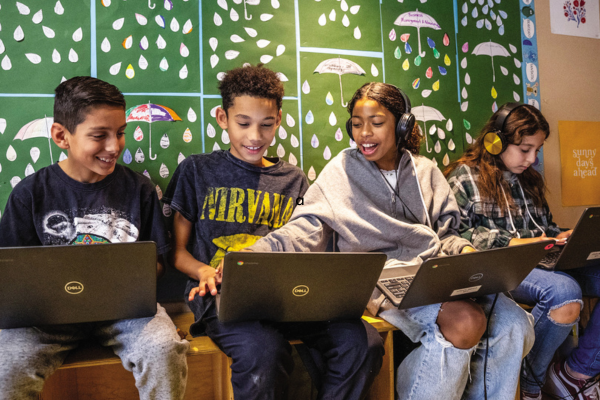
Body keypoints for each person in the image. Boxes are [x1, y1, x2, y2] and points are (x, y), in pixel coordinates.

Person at [244, 82, 535, 400]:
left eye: (377, 123)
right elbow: (303, 230)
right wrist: (256, 253)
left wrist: (464, 253)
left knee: (516, 325)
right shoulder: (340, 171)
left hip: (434, 274)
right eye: (356, 124)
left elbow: (448, 234)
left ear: (402, 124)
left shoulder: (425, 170)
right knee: (466, 321)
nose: (364, 133)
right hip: (380, 280)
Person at [163, 65, 384, 400]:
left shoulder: (294, 180)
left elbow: (312, 246)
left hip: (291, 299)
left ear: (278, 120)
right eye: (243, 123)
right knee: (263, 352)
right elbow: (176, 252)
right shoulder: (196, 170)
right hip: (225, 300)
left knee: (363, 342)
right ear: (223, 117)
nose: (255, 136)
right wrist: (204, 270)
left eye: (266, 125)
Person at [0, 77, 189, 400]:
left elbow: (157, 264)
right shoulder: (30, 194)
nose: (114, 146)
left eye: (120, 133)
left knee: (164, 348)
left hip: (126, 312)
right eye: (99, 136)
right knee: (7, 364)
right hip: (47, 319)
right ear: (62, 136)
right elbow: (11, 273)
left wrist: (126, 274)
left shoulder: (140, 190)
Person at [445, 102, 600, 400]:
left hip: (542, 260)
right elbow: (455, 234)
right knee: (566, 293)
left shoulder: (530, 180)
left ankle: (575, 373)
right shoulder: (464, 176)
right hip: (502, 266)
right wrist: (511, 243)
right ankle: (530, 384)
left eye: (537, 150)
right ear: (496, 141)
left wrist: (563, 235)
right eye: (525, 149)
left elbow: (542, 227)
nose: (532, 158)